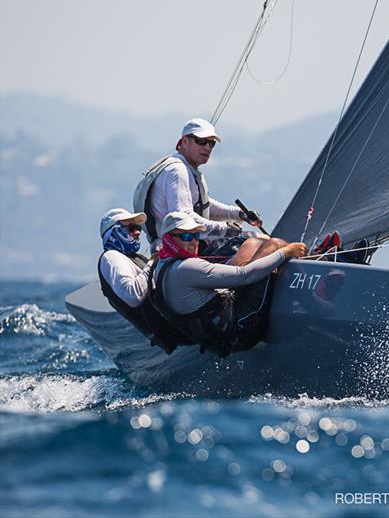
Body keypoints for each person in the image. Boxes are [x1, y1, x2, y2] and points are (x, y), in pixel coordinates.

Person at [148, 211, 307, 358]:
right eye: (186, 237)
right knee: (275, 244)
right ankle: (312, 293)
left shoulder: (160, 265)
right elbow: (246, 275)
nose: (194, 242)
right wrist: (286, 252)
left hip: (218, 337)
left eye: (196, 235)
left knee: (251, 243)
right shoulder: (186, 268)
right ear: (169, 238)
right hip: (241, 332)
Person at [132, 117, 288, 265]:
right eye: (201, 141)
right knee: (264, 243)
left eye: (211, 143)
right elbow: (184, 217)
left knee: (262, 241)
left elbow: (204, 205)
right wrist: (226, 231)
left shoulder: (183, 168)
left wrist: (239, 214)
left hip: (183, 248)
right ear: (184, 141)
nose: (207, 147)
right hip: (177, 251)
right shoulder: (177, 171)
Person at [97, 208, 192, 353]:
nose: (138, 232)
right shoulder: (111, 257)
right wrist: (153, 261)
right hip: (175, 332)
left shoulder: (133, 257)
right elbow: (132, 296)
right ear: (114, 231)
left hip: (178, 322)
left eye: (139, 228)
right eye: (131, 227)